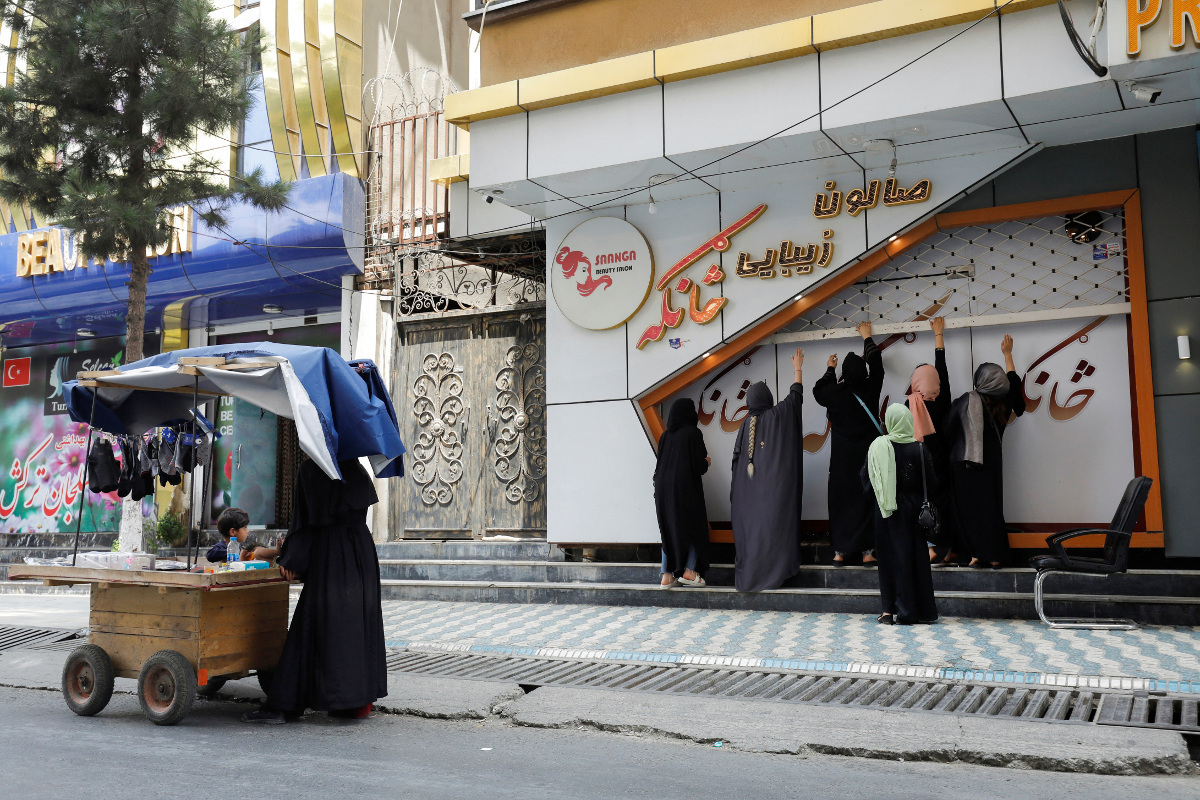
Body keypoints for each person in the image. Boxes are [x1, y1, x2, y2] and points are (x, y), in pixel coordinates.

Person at [242, 459, 388, 723]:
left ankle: (287, 704)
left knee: (312, 623)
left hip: (333, 552)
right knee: (353, 624)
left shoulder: (313, 469)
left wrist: (291, 560)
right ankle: (353, 701)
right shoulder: (355, 467)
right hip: (361, 552)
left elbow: (305, 521)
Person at [944, 334, 1027, 569]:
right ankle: (995, 555)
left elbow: (947, 431)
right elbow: (1014, 385)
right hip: (991, 465)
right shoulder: (1005, 402)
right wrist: (1008, 355)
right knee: (990, 509)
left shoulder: (964, 401)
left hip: (964, 466)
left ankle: (975, 555)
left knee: (969, 511)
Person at [729, 348, 805, 592]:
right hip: (773, 499)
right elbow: (795, 398)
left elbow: (736, 465)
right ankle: (776, 575)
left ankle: (751, 577)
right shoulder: (777, 415)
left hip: (745, 503)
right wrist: (797, 369)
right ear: (767, 399)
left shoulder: (743, 426)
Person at [814, 321, 884, 566]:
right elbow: (878, 365)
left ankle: (839, 553)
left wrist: (830, 370)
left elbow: (818, 390)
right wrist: (866, 337)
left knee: (841, 503)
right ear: (863, 371)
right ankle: (867, 553)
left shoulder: (835, 393)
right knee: (867, 502)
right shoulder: (870, 388)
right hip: (867, 460)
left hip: (841, 463)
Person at [863, 404, 939, 625]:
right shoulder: (919, 448)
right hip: (913, 512)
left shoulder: (878, 447)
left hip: (886, 512)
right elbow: (932, 483)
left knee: (888, 560)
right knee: (913, 558)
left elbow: (867, 483)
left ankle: (888, 611)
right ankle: (917, 611)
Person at [905, 317, 955, 566]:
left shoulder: (909, 404)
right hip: (943, 461)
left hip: (918, 463)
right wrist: (938, 335)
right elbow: (942, 369)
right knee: (945, 503)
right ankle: (949, 549)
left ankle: (929, 548)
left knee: (922, 504)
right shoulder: (943, 398)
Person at [654, 398, 711, 589]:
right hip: (684, 489)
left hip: (662, 490)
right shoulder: (693, 433)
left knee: (669, 530)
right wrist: (707, 462)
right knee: (694, 527)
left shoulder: (665, 436)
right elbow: (698, 465)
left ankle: (667, 576)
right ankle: (689, 571)